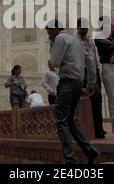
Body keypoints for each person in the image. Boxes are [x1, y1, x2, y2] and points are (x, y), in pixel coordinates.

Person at [46, 19, 100, 164]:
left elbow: (54, 63)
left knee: (61, 120)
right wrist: (91, 84)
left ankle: (71, 160)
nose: (48, 34)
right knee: (69, 119)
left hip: (67, 84)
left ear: (56, 29)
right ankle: (90, 151)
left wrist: (52, 48)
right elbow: (91, 63)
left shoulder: (59, 39)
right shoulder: (77, 41)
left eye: (49, 31)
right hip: (78, 84)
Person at [76, 18, 107, 139]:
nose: (84, 30)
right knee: (90, 99)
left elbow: (93, 56)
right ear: (78, 27)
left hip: (94, 71)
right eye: (82, 28)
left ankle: (98, 128)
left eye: (85, 28)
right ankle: (91, 129)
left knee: (97, 100)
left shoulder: (89, 40)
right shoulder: (75, 41)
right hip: (84, 71)